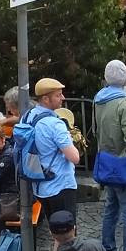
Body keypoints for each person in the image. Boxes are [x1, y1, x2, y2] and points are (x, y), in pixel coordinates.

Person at [95, 59, 126, 251]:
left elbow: (96, 130)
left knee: (111, 208)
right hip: (124, 163)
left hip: (106, 161)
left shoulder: (99, 99)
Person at [26, 78, 82, 216]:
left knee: (54, 227)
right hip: (60, 185)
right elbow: (74, 158)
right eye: (58, 95)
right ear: (45, 99)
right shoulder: (55, 124)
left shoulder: (29, 116)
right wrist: (71, 139)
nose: (62, 98)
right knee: (65, 233)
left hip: (40, 185)